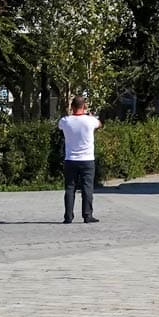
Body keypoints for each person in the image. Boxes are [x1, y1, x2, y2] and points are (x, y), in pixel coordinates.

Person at [58, 96, 101, 225]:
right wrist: (90, 116)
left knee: (70, 188)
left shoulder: (65, 121)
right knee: (87, 188)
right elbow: (99, 124)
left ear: (72, 107)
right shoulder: (90, 120)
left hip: (70, 159)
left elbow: (59, 126)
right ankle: (87, 215)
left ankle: (68, 216)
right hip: (87, 159)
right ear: (85, 106)